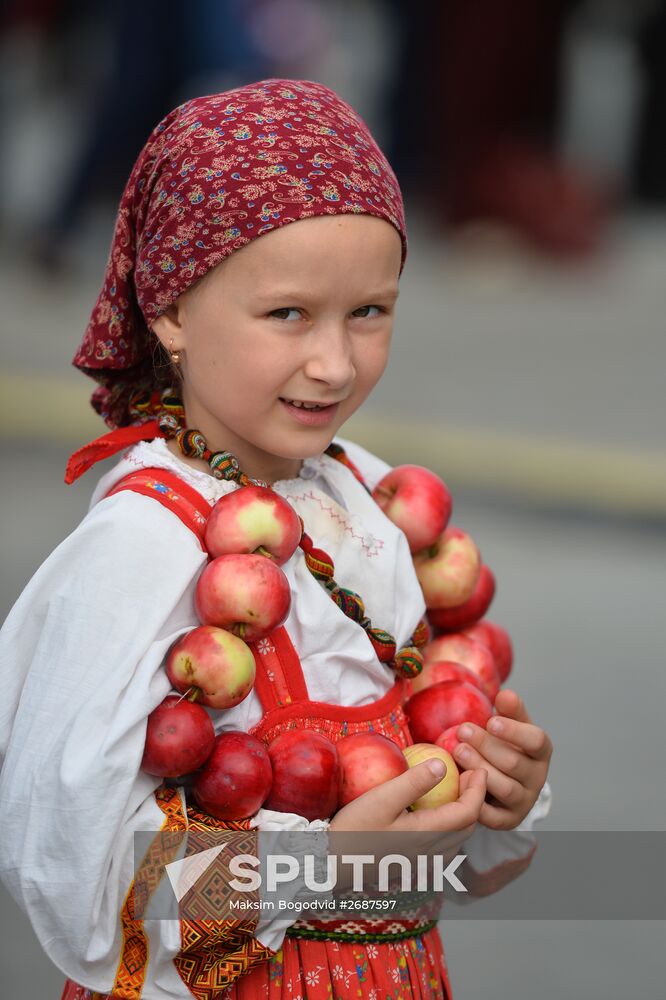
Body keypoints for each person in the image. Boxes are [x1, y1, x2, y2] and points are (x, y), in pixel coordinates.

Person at [0, 79, 552, 999]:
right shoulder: (140, 545)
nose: (334, 363)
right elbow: (77, 886)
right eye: (288, 313)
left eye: (369, 312)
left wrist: (494, 803)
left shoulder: (370, 503)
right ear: (170, 310)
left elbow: (441, 872)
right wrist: (324, 866)